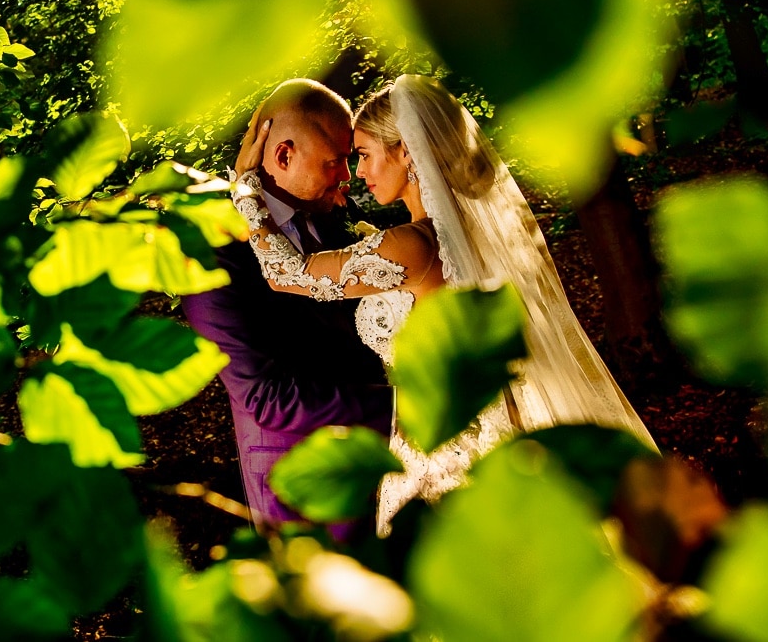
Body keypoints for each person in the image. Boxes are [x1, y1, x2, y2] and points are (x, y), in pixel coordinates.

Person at [230, 73, 658, 535]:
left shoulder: (410, 247)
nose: (359, 174)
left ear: (407, 153)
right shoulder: (438, 240)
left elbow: (285, 274)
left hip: (438, 451)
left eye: (367, 155)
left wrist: (244, 187)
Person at [180, 79, 394, 542]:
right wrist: (402, 407)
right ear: (283, 156)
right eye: (335, 160)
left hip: (388, 468)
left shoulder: (329, 220)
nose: (348, 175)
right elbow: (267, 397)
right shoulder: (212, 253)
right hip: (305, 493)